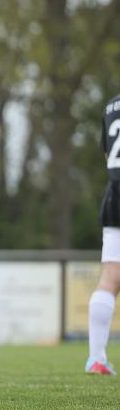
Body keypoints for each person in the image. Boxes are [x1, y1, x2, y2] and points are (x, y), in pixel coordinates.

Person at [86, 92, 120, 375]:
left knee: (109, 279)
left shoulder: (111, 104)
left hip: (115, 195)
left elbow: (106, 152)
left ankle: (96, 358)